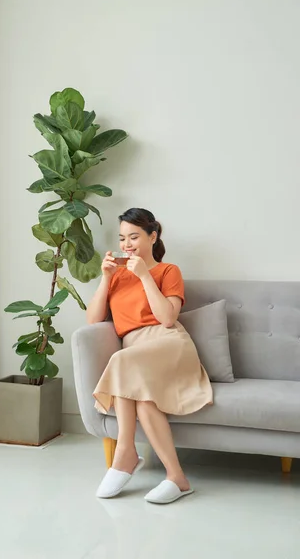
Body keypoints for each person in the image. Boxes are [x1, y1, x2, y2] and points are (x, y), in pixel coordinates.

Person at [86, 208, 213, 504]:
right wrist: (105, 278)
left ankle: (125, 453)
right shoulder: (116, 277)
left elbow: (167, 318)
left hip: (168, 344)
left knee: (120, 361)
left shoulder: (168, 271)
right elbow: (92, 322)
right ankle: (177, 478)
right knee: (144, 400)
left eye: (134, 237)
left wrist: (144, 276)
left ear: (152, 236)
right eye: (122, 238)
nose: (127, 244)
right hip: (136, 352)